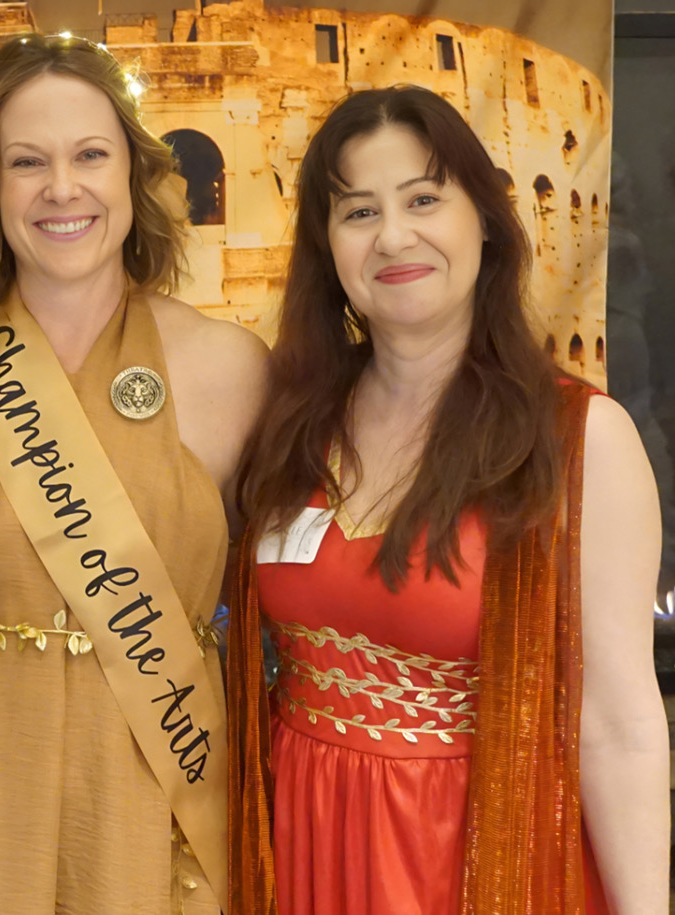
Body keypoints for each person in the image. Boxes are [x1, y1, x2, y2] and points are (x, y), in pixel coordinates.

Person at [0, 32, 268, 915]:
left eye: (89, 155)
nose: (61, 188)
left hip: (147, 787)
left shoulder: (230, 367)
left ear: (132, 174)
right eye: (26, 161)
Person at [228, 85, 669, 914]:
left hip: (475, 858)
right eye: (357, 211)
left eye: (424, 198)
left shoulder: (581, 440)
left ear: (485, 220)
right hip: (302, 843)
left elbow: (618, 724)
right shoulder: (290, 426)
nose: (393, 236)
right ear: (327, 248)